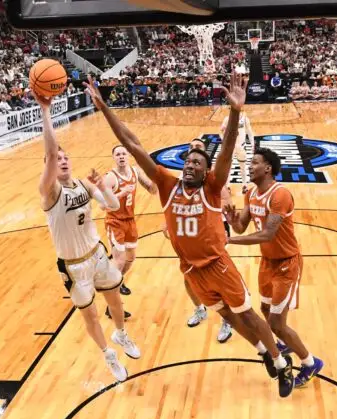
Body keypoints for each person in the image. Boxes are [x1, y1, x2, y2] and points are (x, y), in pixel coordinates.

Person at [86, 72, 295, 397]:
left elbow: (225, 153)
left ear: (206, 169)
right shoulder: (167, 185)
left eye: (198, 162)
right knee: (227, 315)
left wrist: (236, 112)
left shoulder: (212, 188)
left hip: (218, 265)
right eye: (188, 161)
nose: (190, 165)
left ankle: (281, 364)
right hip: (191, 270)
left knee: (250, 316)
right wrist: (103, 108)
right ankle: (262, 351)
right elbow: (132, 143)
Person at [35, 91, 141, 382]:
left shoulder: (82, 184)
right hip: (73, 266)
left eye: (66, 157)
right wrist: (46, 111)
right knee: (91, 315)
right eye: (57, 158)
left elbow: (113, 205)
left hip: (97, 254)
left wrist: (102, 187)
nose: (63, 160)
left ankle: (121, 335)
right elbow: (51, 148)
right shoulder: (50, 192)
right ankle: (108, 354)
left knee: (115, 300)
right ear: (49, 165)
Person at [224, 148, 324, 387]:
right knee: (265, 311)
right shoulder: (251, 194)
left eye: (255, 163)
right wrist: (230, 219)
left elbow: (268, 234)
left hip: (287, 264)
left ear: (268, 168)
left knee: (277, 324)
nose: (249, 167)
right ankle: (284, 341)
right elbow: (240, 227)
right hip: (267, 262)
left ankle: (311, 363)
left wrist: (228, 241)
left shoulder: (280, 195)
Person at [168, 138, 234, 343]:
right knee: (189, 278)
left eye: (199, 149)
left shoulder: (213, 177)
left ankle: (227, 319)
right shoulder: (181, 178)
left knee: (218, 280)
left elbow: (227, 200)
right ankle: (199, 309)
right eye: (191, 149)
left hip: (211, 230)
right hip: (188, 233)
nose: (194, 151)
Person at [103, 144, 158, 319]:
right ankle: (111, 306)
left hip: (130, 221)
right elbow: (102, 205)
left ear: (128, 156)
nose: (121, 156)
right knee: (118, 261)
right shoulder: (110, 178)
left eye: (123, 153)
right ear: (114, 158)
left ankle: (117, 281)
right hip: (114, 222)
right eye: (117, 154)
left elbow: (152, 189)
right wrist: (120, 194)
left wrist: (157, 178)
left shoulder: (135, 172)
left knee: (130, 258)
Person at [220, 110, 254, 194]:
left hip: (241, 146)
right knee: (228, 167)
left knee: (243, 166)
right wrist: (224, 141)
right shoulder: (227, 119)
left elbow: (250, 132)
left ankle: (245, 185)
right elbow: (220, 132)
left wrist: (253, 144)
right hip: (230, 147)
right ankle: (227, 186)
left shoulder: (245, 119)